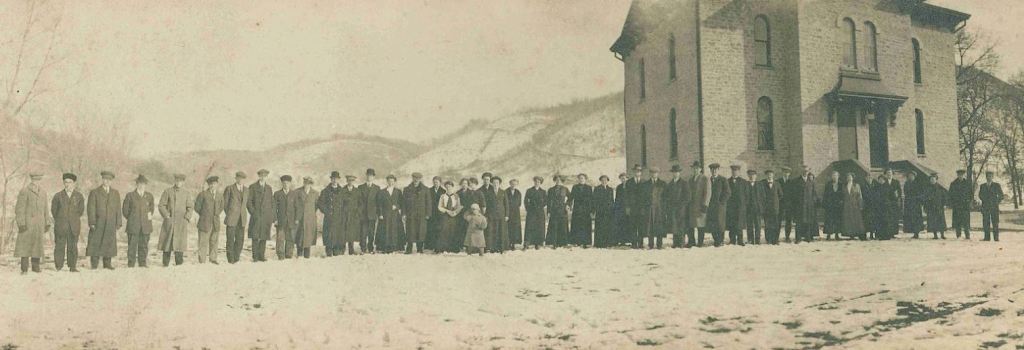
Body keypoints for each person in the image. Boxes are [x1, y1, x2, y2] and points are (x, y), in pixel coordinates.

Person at [15, 172, 51, 274]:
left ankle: (36, 267)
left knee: (37, 246)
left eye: (39, 180)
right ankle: (24, 268)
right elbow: (19, 209)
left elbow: (46, 208)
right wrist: (21, 223)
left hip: (39, 224)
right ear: (31, 180)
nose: (37, 182)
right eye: (35, 180)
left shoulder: (43, 192)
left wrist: (47, 222)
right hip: (27, 224)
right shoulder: (25, 191)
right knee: (25, 247)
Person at [87, 171, 121, 270]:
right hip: (98, 223)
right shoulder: (95, 192)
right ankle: (94, 264)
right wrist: (92, 222)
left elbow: (118, 209)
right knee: (95, 242)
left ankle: (107, 263)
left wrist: (118, 222)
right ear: (102, 180)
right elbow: (91, 208)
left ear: (111, 181)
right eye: (105, 179)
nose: (107, 181)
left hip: (110, 223)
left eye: (109, 180)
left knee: (109, 243)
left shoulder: (115, 193)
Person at [158, 174, 194, 266]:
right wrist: (166, 215)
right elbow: (161, 205)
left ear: (183, 182)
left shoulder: (186, 193)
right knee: (167, 244)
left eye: (180, 181)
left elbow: (190, 207)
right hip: (170, 222)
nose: (178, 183)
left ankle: (179, 265)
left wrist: (186, 218)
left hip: (181, 223)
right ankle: (165, 264)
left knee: (179, 245)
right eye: (177, 181)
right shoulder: (167, 191)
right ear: (174, 181)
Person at [51, 173, 85, 272]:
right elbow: (54, 211)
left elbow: (80, 211)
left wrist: (72, 219)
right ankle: (59, 266)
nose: (67, 184)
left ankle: (72, 266)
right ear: (63, 183)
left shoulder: (79, 196)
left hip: (73, 226)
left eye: (70, 182)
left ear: (74, 183)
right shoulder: (58, 196)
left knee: (73, 246)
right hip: (61, 226)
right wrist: (61, 219)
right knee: (59, 246)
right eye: (66, 182)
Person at [123, 175, 156, 267]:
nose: (141, 186)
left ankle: (142, 263)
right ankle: (131, 264)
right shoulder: (130, 196)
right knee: (132, 245)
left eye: (143, 184)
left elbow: (151, 210)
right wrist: (133, 219)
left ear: (146, 185)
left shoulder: (149, 196)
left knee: (144, 245)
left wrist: (145, 219)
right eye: (140, 184)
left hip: (145, 226)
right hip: (133, 225)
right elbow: (125, 211)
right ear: (136, 184)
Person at [194, 176, 224, 264]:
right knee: (203, 242)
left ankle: (213, 259)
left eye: (214, 184)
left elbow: (221, 207)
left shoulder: (219, 195)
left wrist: (216, 214)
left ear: (217, 184)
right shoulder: (203, 194)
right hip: (204, 222)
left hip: (215, 222)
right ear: (208, 185)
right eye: (211, 184)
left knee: (214, 241)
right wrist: (205, 215)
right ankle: (202, 260)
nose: (213, 186)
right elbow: (197, 207)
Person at [247, 169, 275, 261]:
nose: (263, 177)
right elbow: (249, 202)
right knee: (255, 236)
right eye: (261, 176)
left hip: (266, 216)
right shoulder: (253, 187)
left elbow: (272, 203)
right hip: (256, 215)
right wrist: (253, 212)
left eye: (265, 176)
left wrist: (271, 215)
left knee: (264, 236)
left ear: (267, 177)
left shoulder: (269, 188)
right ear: (259, 176)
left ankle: (261, 256)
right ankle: (255, 256)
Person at [223, 171, 249, 264]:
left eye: (242, 179)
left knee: (240, 239)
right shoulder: (229, 188)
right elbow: (225, 204)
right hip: (231, 218)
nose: (240, 180)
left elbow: (246, 204)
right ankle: (230, 259)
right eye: (239, 178)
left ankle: (236, 258)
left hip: (242, 219)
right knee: (230, 239)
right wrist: (230, 213)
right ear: (236, 178)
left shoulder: (246, 190)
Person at [404, 172, 433, 254]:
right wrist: (404, 213)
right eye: (414, 178)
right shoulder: (407, 189)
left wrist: (428, 214)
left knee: (420, 231)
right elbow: (404, 203)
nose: (416, 180)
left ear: (420, 179)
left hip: (421, 214)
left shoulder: (425, 189)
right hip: (410, 214)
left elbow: (428, 202)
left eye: (418, 178)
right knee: (410, 231)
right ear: (412, 178)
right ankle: (409, 248)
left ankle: (420, 248)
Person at [318, 171, 345, 256]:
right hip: (329, 217)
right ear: (331, 179)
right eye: (333, 178)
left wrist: (342, 213)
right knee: (329, 234)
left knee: (338, 234)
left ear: (338, 180)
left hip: (339, 217)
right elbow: (320, 203)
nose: (334, 180)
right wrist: (326, 211)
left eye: (336, 179)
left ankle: (336, 249)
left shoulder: (342, 191)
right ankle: (329, 250)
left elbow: (345, 203)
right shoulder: (325, 191)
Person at [664, 165, 691, 248]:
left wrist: (682, 205)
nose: (675, 174)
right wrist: (669, 206)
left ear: (679, 173)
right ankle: (675, 243)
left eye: (677, 172)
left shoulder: (684, 183)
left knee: (681, 225)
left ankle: (681, 242)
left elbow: (688, 196)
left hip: (681, 209)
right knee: (674, 225)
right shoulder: (670, 184)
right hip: (672, 209)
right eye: (674, 172)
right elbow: (667, 196)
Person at [377, 174, 404, 253]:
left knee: (395, 230)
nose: (391, 183)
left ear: (394, 182)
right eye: (389, 181)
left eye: (392, 181)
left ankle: (395, 246)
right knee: (386, 230)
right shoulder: (382, 192)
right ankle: (385, 247)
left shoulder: (398, 191)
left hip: (395, 215)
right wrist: (380, 214)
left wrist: (396, 206)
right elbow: (379, 204)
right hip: (385, 214)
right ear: (387, 181)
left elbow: (402, 203)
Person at [293, 177, 319, 258]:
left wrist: (310, 213)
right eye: (305, 183)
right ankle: (299, 255)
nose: (307, 185)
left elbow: (316, 206)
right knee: (299, 236)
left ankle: (307, 256)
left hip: (310, 219)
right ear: (303, 183)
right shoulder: (297, 192)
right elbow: (294, 205)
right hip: (300, 218)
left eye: (308, 183)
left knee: (308, 237)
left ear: (311, 184)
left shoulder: (315, 193)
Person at [483, 176, 510, 253]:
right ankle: (493, 248)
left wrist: (507, 215)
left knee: (501, 231)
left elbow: (506, 204)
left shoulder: (503, 192)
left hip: (501, 215)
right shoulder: (489, 193)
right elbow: (486, 205)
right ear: (492, 183)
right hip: (491, 215)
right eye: (494, 183)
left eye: (497, 183)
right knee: (492, 231)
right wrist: (486, 215)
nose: (495, 184)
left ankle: (501, 248)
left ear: (499, 183)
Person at [642, 167, 667, 249]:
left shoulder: (662, 184)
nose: (654, 174)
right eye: (652, 173)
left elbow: (665, 197)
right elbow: (643, 197)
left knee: (659, 225)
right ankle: (651, 244)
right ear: (650, 174)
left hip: (659, 208)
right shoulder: (646, 184)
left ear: (658, 174)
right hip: (649, 208)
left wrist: (664, 207)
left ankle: (659, 244)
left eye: (655, 173)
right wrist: (645, 207)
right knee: (650, 226)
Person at [359, 169, 382, 253]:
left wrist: (379, 213)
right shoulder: (360, 187)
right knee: (363, 232)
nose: (369, 177)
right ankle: (363, 248)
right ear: (366, 176)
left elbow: (378, 202)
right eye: (368, 175)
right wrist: (359, 212)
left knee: (371, 233)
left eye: (371, 176)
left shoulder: (377, 188)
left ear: (373, 177)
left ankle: (370, 248)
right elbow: (359, 201)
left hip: (372, 214)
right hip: (363, 214)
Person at [687, 161, 710, 247]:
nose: (695, 170)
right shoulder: (690, 179)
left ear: (700, 169)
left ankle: (700, 242)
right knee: (691, 225)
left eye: (697, 168)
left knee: (701, 225)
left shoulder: (705, 178)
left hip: (700, 206)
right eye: (694, 168)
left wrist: (705, 204)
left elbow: (708, 193)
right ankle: (691, 241)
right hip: (692, 206)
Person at [436, 181, 463, 253]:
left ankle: (453, 248)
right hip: (445, 215)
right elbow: (439, 207)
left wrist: (455, 212)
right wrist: (447, 211)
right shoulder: (442, 196)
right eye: (447, 187)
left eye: (450, 187)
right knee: (444, 230)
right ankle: (443, 247)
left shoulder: (456, 196)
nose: (448, 188)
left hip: (454, 215)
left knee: (453, 230)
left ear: (452, 187)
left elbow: (458, 206)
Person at [706, 164, 730, 247]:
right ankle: (716, 239)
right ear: (710, 171)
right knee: (713, 223)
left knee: (720, 224)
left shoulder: (723, 180)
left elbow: (727, 192)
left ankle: (720, 240)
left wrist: (721, 202)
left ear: (718, 170)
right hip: (711, 206)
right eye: (712, 170)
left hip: (720, 206)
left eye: (715, 170)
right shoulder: (709, 180)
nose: (714, 171)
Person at [338, 175, 362, 254]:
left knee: (351, 232)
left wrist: (358, 212)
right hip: (344, 215)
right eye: (349, 180)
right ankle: (342, 249)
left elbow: (360, 203)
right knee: (343, 232)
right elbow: (339, 202)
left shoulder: (357, 191)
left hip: (353, 215)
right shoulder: (342, 190)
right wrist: (341, 212)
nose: (350, 182)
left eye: (352, 180)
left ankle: (351, 249)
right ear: (347, 181)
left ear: (354, 181)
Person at [273, 175, 295, 259]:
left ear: (290, 183)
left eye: (287, 183)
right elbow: (273, 208)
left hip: (291, 220)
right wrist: (275, 219)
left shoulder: (294, 194)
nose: (286, 184)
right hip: (281, 220)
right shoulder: (277, 194)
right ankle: (280, 255)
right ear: (282, 183)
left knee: (290, 238)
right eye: (284, 183)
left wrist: (296, 219)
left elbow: (297, 207)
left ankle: (289, 254)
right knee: (280, 238)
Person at [793, 167, 818, 244]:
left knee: (808, 222)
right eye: (804, 171)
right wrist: (796, 203)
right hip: (799, 205)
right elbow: (794, 194)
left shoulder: (811, 182)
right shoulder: (796, 181)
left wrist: (813, 201)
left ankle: (808, 237)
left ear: (808, 172)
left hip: (809, 206)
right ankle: (798, 238)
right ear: (801, 171)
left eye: (806, 171)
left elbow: (814, 193)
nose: (805, 172)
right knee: (799, 222)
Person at [569, 174, 594, 247]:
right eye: (580, 178)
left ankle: (586, 242)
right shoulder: (575, 187)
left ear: (585, 179)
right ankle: (576, 241)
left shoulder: (589, 188)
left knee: (585, 225)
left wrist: (592, 210)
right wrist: (569, 205)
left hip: (586, 209)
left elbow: (592, 199)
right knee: (577, 225)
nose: (581, 179)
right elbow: (571, 197)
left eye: (582, 178)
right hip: (577, 209)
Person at [726, 165, 748, 245]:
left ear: (739, 172)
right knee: (731, 223)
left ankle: (740, 240)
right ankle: (732, 240)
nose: (734, 172)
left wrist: (744, 205)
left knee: (739, 224)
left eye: (736, 171)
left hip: (740, 206)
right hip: (731, 206)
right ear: (731, 172)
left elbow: (747, 194)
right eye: (733, 171)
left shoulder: (743, 182)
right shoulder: (727, 181)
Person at [877, 169, 903, 240]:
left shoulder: (896, 182)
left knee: (893, 218)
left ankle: (893, 233)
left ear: (892, 174)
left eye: (890, 173)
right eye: (888, 173)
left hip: (894, 202)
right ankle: (887, 233)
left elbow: (899, 191)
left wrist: (898, 197)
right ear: (885, 174)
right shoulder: (884, 181)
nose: (889, 174)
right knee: (887, 218)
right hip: (886, 203)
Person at [623, 165, 645, 248]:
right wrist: (627, 207)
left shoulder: (644, 182)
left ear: (641, 172)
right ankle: (634, 243)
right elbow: (626, 196)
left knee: (641, 226)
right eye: (636, 171)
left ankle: (641, 243)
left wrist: (644, 207)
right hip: (632, 208)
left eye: (639, 171)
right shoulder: (629, 182)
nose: (637, 172)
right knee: (633, 226)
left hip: (641, 208)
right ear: (633, 172)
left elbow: (646, 196)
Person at [839, 173, 865, 240]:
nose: (849, 178)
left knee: (855, 219)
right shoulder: (844, 186)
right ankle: (850, 234)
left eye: (850, 177)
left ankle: (855, 233)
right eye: (848, 177)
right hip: (847, 205)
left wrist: (860, 205)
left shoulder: (857, 185)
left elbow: (860, 196)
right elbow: (842, 195)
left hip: (855, 205)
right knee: (848, 219)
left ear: (853, 178)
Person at [979, 170, 1003, 242]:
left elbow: (1001, 195)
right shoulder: (982, 186)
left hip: (994, 207)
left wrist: (996, 202)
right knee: (986, 222)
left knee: (995, 222)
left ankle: (996, 238)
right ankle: (987, 238)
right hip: (985, 207)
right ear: (986, 177)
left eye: (990, 176)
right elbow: (980, 195)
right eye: (988, 176)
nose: (989, 178)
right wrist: (985, 200)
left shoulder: (996, 185)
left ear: (992, 177)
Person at [547, 175, 570, 248]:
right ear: (555, 180)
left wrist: (567, 205)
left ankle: (563, 243)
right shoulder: (551, 190)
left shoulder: (565, 189)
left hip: (563, 210)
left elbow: (570, 198)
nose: (558, 181)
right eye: (556, 180)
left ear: (562, 181)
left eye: (559, 180)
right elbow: (548, 201)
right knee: (554, 226)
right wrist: (548, 211)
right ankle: (554, 243)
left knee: (563, 226)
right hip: (554, 210)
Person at [524, 176, 547, 250]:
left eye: (538, 182)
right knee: (529, 227)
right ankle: (527, 243)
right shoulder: (529, 190)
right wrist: (528, 208)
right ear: (534, 182)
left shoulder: (543, 192)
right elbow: (525, 200)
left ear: (540, 183)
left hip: (540, 212)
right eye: (536, 181)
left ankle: (538, 243)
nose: (537, 183)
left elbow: (546, 201)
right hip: (531, 212)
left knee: (539, 227)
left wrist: (540, 206)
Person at [593, 175, 615, 248]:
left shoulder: (610, 189)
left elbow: (612, 200)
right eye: (602, 180)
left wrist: (612, 209)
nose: (604, 181)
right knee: (600, 227)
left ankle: (608, 242)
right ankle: (599, 243)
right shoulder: (597, 189)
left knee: (608, 226)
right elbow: (594, 200)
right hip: (600, 211)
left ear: (607, 181)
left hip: (609, 211)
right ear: (600, 181)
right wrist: (595, 209)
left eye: (605, 180)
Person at [948, 169, 972, 239]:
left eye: (961, 175)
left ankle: (967, 235)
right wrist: (952, 203)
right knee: (957, 220)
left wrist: (969, 201)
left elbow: (971, 194)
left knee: (966, 221)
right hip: (957, 205)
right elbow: (950, 194)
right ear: (957, 175)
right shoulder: (953, 184)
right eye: (959, 175)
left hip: (965, 205)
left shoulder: (967, 183)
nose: (960, 176)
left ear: (963, 175)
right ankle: (958, 235)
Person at [761, 170, 782, 244]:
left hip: (775, 207)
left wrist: (775, 202)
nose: (769, 176)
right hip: (766, 208)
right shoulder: (762, 183)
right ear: (766, 175)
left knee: (775, 224)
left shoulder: (777, 184)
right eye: (768, 174)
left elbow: (780, 195)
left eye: (771, 174)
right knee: (767, 224)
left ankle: (775, 239)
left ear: (773, 175)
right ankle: (768, 239)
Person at [924, 173, 948, 239]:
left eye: (933, 179)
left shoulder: (940, 188)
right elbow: (925, 198)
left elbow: (944, 197)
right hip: (931, 207)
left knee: (940, 221)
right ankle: (935, 235)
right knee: (933, 221)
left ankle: (942, 234)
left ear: (936, 180)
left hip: (939, 207)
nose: (932, 180)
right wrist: (925, 206)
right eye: (931, 179)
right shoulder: (927, 188)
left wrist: (944, 204)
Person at [902, 171, 926, 238]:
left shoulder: (918, 184)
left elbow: (922, 193)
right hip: (909, 203)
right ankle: (912, 231)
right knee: (910, 218)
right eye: (909, 176)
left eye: (912, 176)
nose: (911, 177)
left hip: (916, 203)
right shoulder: (906, 183)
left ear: (914, 176)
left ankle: (916, 232)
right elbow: (905, 192)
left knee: (916, 218)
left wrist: (918, 199)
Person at [745, 169, 765, 244]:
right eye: (750, 175)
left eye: (753, 175)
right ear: (748, 176)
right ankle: (750, 239)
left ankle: (757, 239)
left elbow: (763, 196)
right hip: (748, 208)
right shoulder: (746, 184)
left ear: (756, 176)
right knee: (749, 224)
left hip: (757, 208)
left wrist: (761, 206)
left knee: (758, 225)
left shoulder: (760, 185)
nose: (752, 176)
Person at [822, 171, 842, 240]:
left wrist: (841, 201)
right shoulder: (828, 184)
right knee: (829, 220)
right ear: (831, 177)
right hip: (830, 205)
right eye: (833, 175)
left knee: (837, 220)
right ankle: (828, 234)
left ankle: (837, 234)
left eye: (836, 175)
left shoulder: (841, 184)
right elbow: (825, 194)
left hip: (838, 205)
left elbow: (843, 194)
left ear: (838, 176)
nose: (834, 177)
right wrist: (825, 204)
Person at [778, 167, 796, 242]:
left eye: (787, 172)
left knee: (788, 221)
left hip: (789, 205)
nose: (786, 174)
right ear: (782, 172)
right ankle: (776, 237)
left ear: (789, 174)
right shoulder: (778, 181)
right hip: (780, 204)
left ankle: (787, 237)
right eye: (785, 172)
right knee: (778, 221)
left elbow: (793, 194)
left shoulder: (792, 182)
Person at [613, 173, 629, 247]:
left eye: (624, 178)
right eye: (622, 178)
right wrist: (616, 207)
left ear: (627, 178)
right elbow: (617, 198)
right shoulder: (619, 187)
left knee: (627, 224)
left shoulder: (630, 186)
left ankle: (628, 240)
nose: (623, 179)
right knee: (621, 224)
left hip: (628, 208)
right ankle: (622, 241)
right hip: (620, 208)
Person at [507, 179, 523, 250]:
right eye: (512, 184)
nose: (513, 185)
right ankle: (508, 243)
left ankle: (513, 244)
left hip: (516, 213)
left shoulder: (518, 192)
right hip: (508, 212)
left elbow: (519, 203)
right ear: (510, 184)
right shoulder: (506, 191)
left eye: (515, 184)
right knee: (508, 228)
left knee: (515, 228)